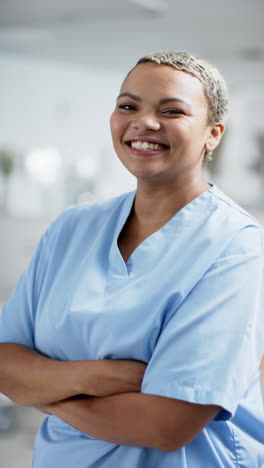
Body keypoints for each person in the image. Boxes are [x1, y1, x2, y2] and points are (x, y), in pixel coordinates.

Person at [0, 51, 263, 468]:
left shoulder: (234, 244)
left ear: (213, 134)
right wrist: (92, 378)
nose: (144, 121)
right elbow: (5, 359)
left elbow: (166, 424)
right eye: (128, 106)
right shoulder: (72, 229)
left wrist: (46, 393)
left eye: (171, 110)